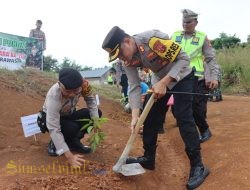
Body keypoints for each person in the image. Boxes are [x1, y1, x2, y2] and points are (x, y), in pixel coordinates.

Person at [102, 26, 209, 189]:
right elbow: (134, 86)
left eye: (121, 53)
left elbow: (184, 58)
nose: (122, 58)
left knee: (183, 116)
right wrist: (135, 117)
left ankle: (198, 165)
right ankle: (148, 158)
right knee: (150, 117)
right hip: (158, 80)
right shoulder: (127, 60)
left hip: (183, 77)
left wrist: (165, 83)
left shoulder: (153, 40)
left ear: (128, 41)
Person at [171, 9, 220, 143]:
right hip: (179, 78)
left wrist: (214, 77)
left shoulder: (202, 37)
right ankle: (193, 134)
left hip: (197, 77)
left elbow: (211, 59)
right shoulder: (175, 36)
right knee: (181, 108)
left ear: (195, 22)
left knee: (197, 107)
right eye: (183, 22)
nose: (185, 24)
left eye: (188, 22)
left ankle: (204, 130)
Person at [39, 68, 102, 167]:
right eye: (67, 91)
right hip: (51, 120)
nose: (72, 95)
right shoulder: (54, 95)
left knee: (95, 114)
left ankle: (73, 142)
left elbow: (91, 101)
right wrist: (69, 157)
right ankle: (55, 143)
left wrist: (96, 122)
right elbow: (54, 127)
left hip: (68, 114)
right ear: (59, 84)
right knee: (71, 128)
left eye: (76, 91)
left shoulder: (84, 85)